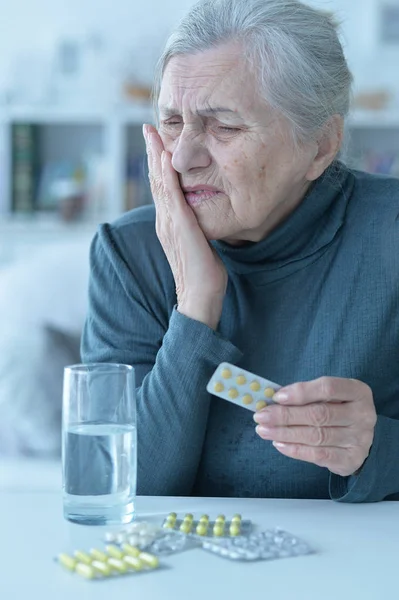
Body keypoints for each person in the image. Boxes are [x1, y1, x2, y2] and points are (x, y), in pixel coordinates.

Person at [81, 0, 399, 502]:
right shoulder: (129, 255)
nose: (182, 157)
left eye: (224, 127)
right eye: (170, 123)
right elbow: (119, 490)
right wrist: (195, 305)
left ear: (320, 146)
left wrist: (381, 448)